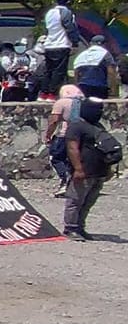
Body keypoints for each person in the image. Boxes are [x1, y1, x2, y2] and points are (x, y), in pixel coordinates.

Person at [61, 96, 111, 240]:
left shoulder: (98, 126)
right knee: (75, 200)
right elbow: (72, 148)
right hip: (83, 169)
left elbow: (104, 147)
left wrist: (108, 168)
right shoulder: (76, 126)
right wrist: (78, 168)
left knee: (89, 201)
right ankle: (70, 227)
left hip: (98, 170)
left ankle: (80, 226)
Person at [37, 0, 78, 93]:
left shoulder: (49, 13)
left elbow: (47, 29)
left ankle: (44, 93)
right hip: (62, 44)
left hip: (49, 45)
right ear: (68, 3)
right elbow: (70, 28)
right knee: (59, 71)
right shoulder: (66, 12)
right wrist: (75, 43)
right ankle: (52, 93)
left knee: (49, 71)